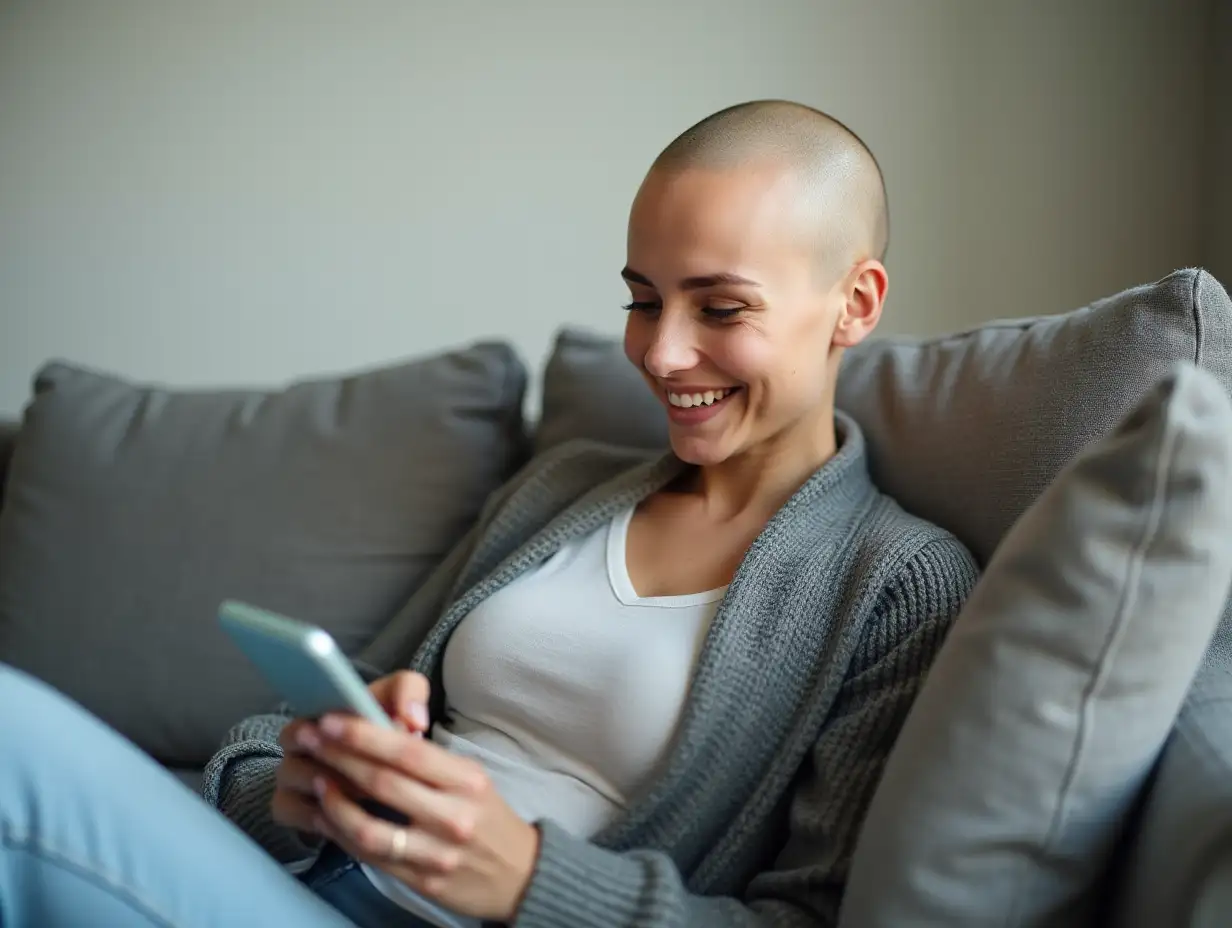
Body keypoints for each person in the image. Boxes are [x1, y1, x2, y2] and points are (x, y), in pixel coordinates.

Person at [0, 99, 979, 927]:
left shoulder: (896, 582)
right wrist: (289, 795)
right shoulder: (561, 489)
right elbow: (293, 721)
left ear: (853, 303)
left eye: (718, 309)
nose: (660, 354)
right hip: (313, 880)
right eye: (642, 301)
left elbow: (805, 915)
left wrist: (527, 880)